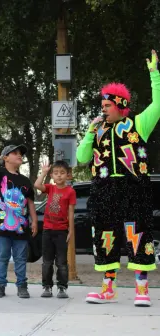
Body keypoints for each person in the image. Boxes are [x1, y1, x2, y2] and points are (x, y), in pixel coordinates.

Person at [77, 50, 159, 307]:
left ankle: (141, 289)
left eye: (106, 106)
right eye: (101, 106)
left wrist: (155, 75)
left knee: (138, 234)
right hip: (103, 189)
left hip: (133, 186)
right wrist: (89, 133)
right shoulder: (98, 130)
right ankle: (107, 289)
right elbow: (81, 158)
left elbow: (158, 105)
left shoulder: (138, 124)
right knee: (104, 235)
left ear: (120, 105)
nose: (102, 110)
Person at [0, 145, 38, 299]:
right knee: (2, 256)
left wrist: (34, 221)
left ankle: (22, 285)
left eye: (21, 153)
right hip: (1, 227)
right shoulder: (0, 174)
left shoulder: (25, 181)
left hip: (21, 227)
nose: (19, 155)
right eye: (15, 153)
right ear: (5, 158)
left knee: (21, 257)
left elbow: (30, 203)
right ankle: (0, 285)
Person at [34, 160, 76, 299]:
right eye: (56, 173)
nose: (59, 176)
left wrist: (70, 230)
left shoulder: (70, 192)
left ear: (68, 175)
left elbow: (71, 212)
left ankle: (62, 288)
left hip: (62, 231)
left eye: (62, 173)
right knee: (47, 261)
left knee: (62, 262)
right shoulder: (50, 188)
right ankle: (47, 286)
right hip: (47, 230)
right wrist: (44, 172)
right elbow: (37, 185)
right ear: (52, 175)